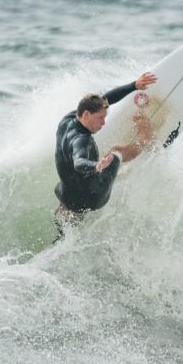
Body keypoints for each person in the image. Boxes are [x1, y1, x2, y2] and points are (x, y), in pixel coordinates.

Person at [53, 72, 157, 242]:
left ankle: (61, 236)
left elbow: (106, 99)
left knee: (67, 211)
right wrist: (95, 165)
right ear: (86, 115)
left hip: (67, 195)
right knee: (115, 151)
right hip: (94, 196)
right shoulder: (82, 140)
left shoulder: (68, 119)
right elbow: (79, 162)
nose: (103, 123)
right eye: (100, 118)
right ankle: (145, 141)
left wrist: (134, 85)